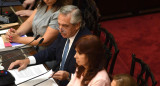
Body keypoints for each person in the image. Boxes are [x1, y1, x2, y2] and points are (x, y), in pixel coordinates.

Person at [8, 5, 91, 86]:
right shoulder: (65, 33)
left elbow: (90, 77)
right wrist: (27, 61)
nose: (60, 29)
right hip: (55, 79)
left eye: (65, 26)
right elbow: (51, 51)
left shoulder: (86, 43)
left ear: (77, 25)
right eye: (59, 24)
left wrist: (69, 76)